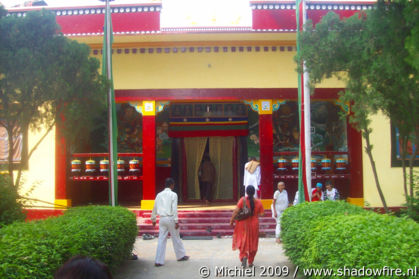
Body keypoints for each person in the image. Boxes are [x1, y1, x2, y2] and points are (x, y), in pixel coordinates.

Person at [151, 178, 189, 267]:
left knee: (161, 239)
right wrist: (176, 221)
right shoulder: (173, 195)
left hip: (162, 219)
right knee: (176, 237)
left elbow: (155, 207)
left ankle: (158, 260)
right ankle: (181, 256)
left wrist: (153, 219)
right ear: (172, 185)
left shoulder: (159, 195)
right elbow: (174, 209)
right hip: (171, 218)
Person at [230, 185, 265, 268]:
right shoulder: (259, 202)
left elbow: (236, 211)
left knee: (242, 241)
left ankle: (243, 256)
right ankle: (250, 261)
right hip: (254, 225)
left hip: (243, 224)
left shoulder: (243, 200)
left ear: (246, 192)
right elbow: (262, 214)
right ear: (254, 192)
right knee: (253, 243)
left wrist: (231, 221)